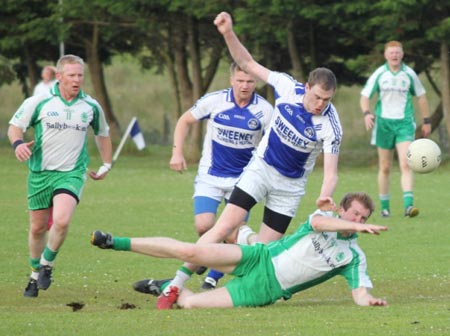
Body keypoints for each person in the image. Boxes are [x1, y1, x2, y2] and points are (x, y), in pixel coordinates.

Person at [145, 11, 343, 310]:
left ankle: (221, 291)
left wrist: (326, 194)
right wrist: (227, 33)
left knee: (262, 254)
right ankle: (175, 284)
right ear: (306, 86)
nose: (320, 105)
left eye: (327, 100)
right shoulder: (288, 87)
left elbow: (331, 172)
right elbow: (248, 63)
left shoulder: (330, 124)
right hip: (260, 169)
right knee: (221, 228)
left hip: (289, 189)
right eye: (316, 97)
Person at [91, 192, 388, 309]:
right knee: (191, 251)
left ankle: (167, 286)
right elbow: (322, 221)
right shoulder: (321, 221)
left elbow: (359, 292)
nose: (359, 221)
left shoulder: (353, 257)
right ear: (342, 210)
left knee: (193, 305)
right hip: (260, 257)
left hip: (265, 289)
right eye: (355, 215)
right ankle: (115, 242)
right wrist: (358, 228)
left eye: (364, 219)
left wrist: (370, 301)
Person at [135, 62, 273, 291]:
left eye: (249, 81)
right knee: (204, 225)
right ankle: (204, 255)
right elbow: (184, 121)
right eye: (240, 81)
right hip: (210, 176)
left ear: (256, 83)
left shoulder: (265, 111)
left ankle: (212, 277)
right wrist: (177, 152)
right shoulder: (216, 101)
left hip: (244, 181)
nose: (245, 86)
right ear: (232, 81)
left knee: (232, 235)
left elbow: (273, 145)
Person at [8, 54, 113, 298]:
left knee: (62, 220)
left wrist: (106, 163)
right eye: (72, 75)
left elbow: (102, 133)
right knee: (37, 228)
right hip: (40, 173)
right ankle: (35, 274)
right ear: (59, 77)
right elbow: (15, 127)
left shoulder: (91, 106)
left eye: (80, 75)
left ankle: (47, 264)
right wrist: (18, 144)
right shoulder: (40, 101)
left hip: (72, 173)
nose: (77, 80)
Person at [360, 40, 431, 218]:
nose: (395, 55)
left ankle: (408, 207)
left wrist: (427, 120)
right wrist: (367, 113)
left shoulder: (409, 74)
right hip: (383, 124)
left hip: (404, 124)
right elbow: (364, 96)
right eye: (391, 52)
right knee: (384, 167)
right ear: (386, 55)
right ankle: (385, 208)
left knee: (406, 163)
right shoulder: (380, 74)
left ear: (402, 54)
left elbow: (421, 97)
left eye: (398, 52)